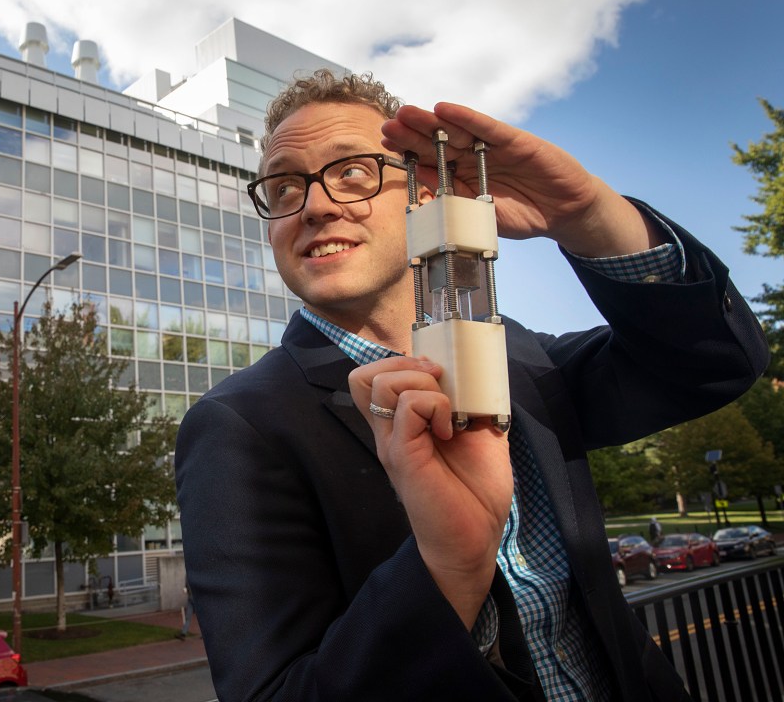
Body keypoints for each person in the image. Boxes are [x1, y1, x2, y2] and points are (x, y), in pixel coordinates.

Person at [174, 69, 767, 701]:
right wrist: (446, 571)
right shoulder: (239, 424)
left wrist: (587, 212)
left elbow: (715, 361)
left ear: (427, 195)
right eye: (285, 186)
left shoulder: (522, 356)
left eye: (352, 172)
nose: (315, 206)